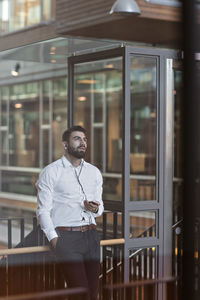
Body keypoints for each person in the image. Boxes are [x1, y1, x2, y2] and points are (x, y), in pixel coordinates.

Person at [36, 125, 104, 300]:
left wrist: (95, 208)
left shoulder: (94, 172)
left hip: (92, 236)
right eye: (77, 139)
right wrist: (55, 240)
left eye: (85, 139)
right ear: (65, 145)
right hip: (67, 239)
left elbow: (100, 206)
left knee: (93, 293)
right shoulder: (51, 172)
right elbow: (43, 210)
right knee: (79, 293)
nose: (83, 143)